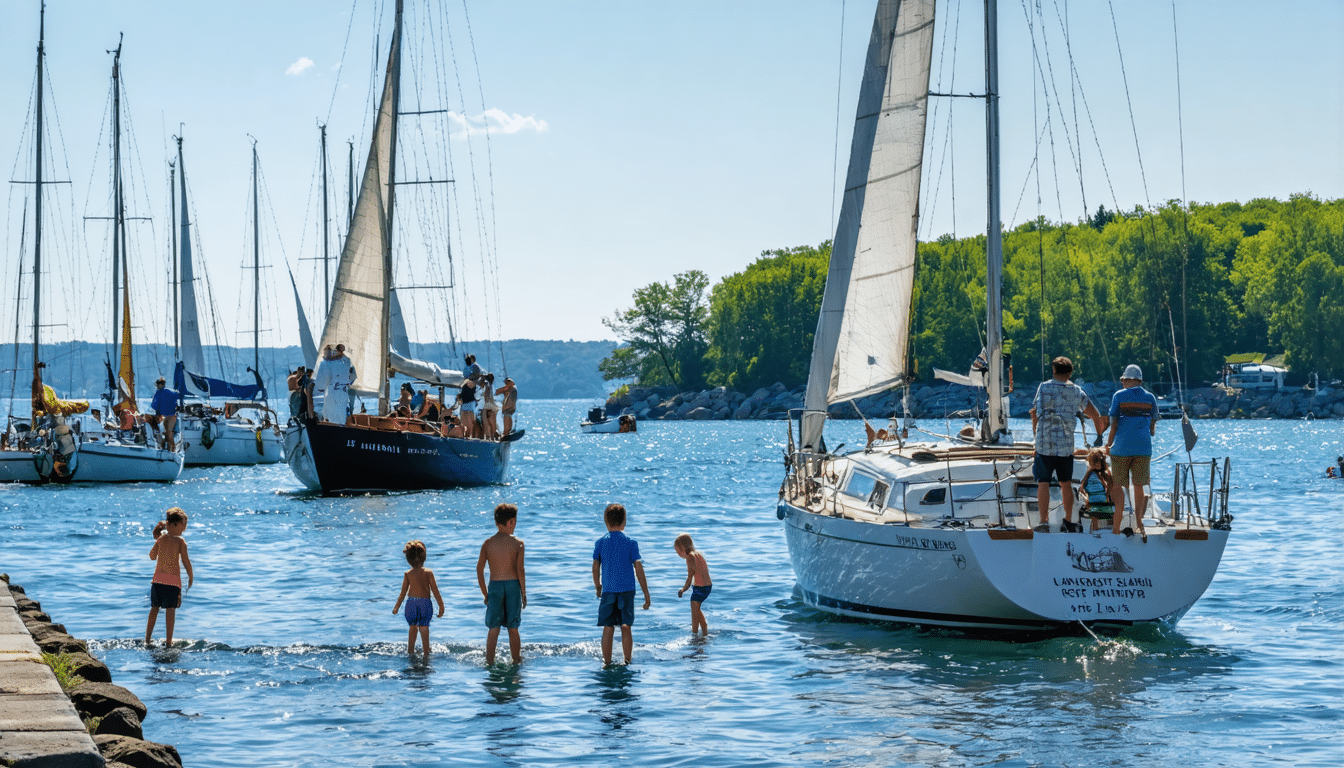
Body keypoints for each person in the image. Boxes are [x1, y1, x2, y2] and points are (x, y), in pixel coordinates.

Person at [1030, 356, 1108, 533]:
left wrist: (1036, 436)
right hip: (1065, 447)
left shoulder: (1044, 387)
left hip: (1044, 445)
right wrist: (1099, 436)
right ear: (1070, 372)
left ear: (1054, 370)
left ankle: (1043, 522)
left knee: (1043, 483)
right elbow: (1094, 414)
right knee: (1065, 484)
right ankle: (1068, 520)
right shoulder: (1076, 391)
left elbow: (1035, 412)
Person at [592, 503, 651, 666]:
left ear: (606, 521)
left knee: (608, 627)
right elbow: (638, 567)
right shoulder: (631, 543)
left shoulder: (600, 543)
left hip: (608, 591)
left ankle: (607, 662)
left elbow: (595, 566)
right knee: (626, 627)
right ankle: (627, 660)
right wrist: (646, 594)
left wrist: (598, 585)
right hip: (627, 591)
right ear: (624, 522)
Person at [1105, 364, 1157, 539]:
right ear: (1139, 380)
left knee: (1117, 485)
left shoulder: (1119, 396)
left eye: (1124, 380)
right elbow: (1153, 427)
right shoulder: (1150, 397)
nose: (1123, 383)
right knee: (1139, 485)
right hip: (1143, 448)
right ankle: (1139, 522)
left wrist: (1108, 444)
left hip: (1121, 448)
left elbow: (1114, 425)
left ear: (1128, 379)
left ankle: (1116, 526)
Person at [476, 503, 527, 665]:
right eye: (514, 522)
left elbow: (479, 570)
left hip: (495, 587)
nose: (514, 525)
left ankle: (489, 661)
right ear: (511, 522)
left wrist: (485, 594)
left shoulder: (488, 543)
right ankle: (516, 660)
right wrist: (524, 593)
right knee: (513, 628)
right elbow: (520, 570)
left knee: (494, 628)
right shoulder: (518, 543)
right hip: (513, 587)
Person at [144, 507, 194, 648]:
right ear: (173, 524)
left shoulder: (161, 539)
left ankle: (147, 639)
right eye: (183, 524)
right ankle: (169, 642)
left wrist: (159, 542)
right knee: (170, 611)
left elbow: (152, 556)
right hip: (172, 584)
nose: (185, 528)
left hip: (157, 582)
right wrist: (190, 576)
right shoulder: (180, 542)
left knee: (154, 608)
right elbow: (185, 561)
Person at [392, 540, 445, 659]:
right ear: (424, 556)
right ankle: (426, 652)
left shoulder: (408, 574)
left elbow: (403, 593)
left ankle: (410, 651)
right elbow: (435, 591)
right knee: (424, 627)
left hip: (411, 604)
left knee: (412, 627)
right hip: (425, 603)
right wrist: (441, 606)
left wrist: (396, 607)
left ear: (408, 559)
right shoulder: (428, 573)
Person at [673, 533, 712, 635]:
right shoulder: (698, 554)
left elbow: (690, 577)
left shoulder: (690, 557)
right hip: (707, 587)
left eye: (677, 551)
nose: (677, 554)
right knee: (697, 610)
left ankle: (694, 635)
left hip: (700, 588)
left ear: (682, 548)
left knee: (695, 613)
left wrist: (683, 589)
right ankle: (704, 633)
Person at [312, 344, 357, 424]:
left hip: (332, 394)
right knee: (341, 419)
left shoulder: (325, 363)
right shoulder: (347, 361)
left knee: (331, 420)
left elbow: (320, 385)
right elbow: (353, 377)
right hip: (344, 393)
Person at [1078, 448, 1116, 533]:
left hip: (1095, 498)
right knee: (1107, 512)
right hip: (1097, 497)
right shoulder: (1096, 473)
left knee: (1096, 513)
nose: (1097, 465)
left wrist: (1107, 494)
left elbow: (1083, 485)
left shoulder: (1092, 473)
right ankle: (1106, 528)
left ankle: (1097, 528)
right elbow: (1109, 483)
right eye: (1095, 463)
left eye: (1098, 463)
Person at [144, 377, 179, 451]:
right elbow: (177, 401)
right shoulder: (172, 392)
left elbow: (154, 406)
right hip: (173, 416)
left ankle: (163, 450)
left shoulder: (158, 393)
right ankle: (172, 450)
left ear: (157, 385)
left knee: (163, 434)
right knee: (169, 434)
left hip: (163, 417)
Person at [480, 373, 500, 440]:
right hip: (493, 407)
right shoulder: (491, 386)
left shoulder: (487, 386)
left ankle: (488, 438)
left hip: (488, 407)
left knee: (486, 424)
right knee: (493, 425)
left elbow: (487, 398)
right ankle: (493, 438)